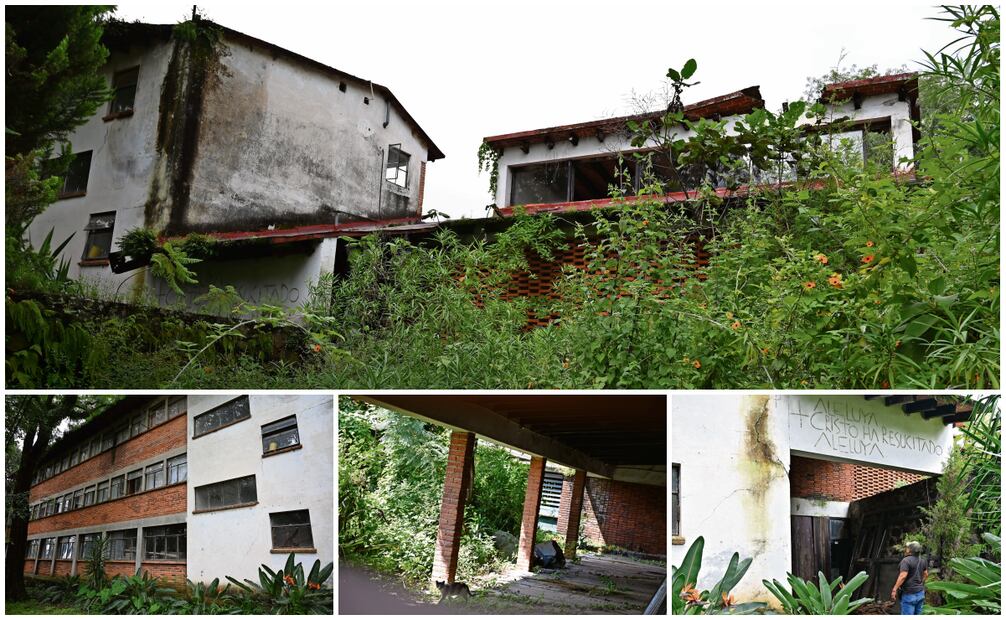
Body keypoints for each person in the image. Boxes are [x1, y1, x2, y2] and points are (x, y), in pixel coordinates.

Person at [891, 541, 928, 615]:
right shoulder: (923, 560)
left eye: (907, 547)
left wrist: (894, 589)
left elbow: (903, 576)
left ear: (909, 550)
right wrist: (920, 583)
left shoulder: (906, 560)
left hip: (909, 594)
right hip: (920, 593)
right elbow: (926, 574)